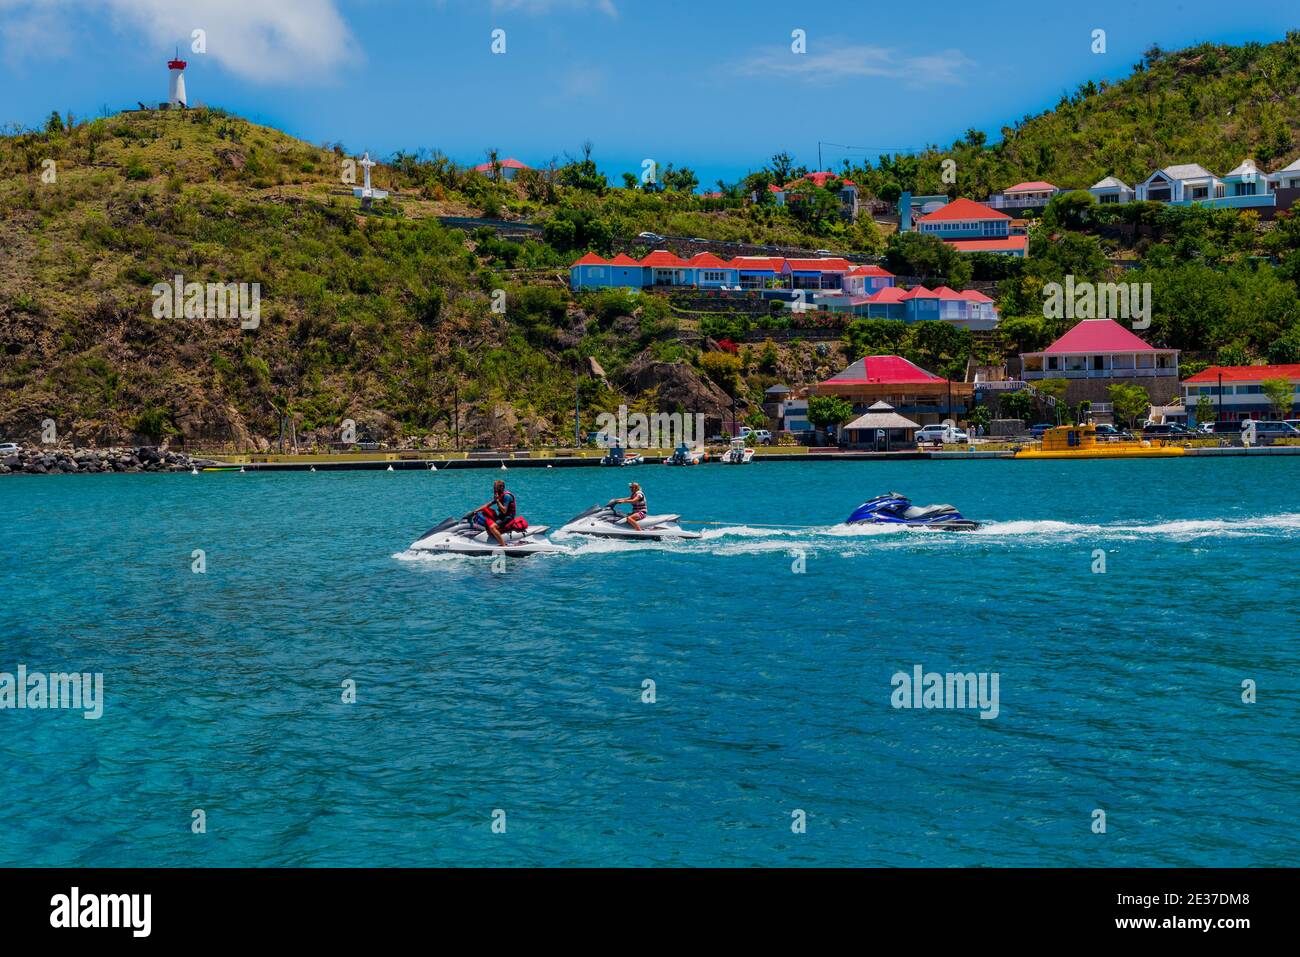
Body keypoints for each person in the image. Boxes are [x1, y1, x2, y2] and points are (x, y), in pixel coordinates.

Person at [473, 479, 517, 546]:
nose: (494, 489)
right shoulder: (499, 495)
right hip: (502, 516)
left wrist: (497, 501)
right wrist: (475, 511)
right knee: (484, 519)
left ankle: (503, 545)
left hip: (508, 517)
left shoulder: (506, 496)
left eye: (496, 487)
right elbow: (487, 505)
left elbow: (504, 510)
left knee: (492, 527)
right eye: (494, 487)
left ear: (501, 487)